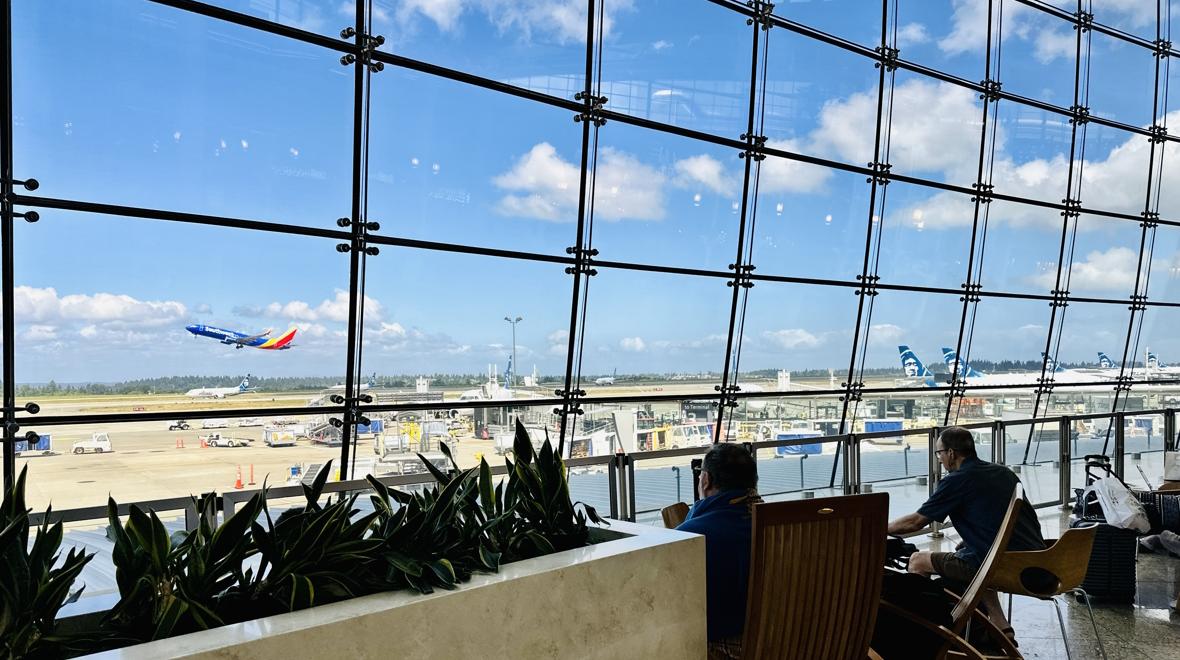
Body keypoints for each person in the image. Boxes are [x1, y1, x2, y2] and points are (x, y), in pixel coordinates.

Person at [887, 426, 1045, 643]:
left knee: (917, 560)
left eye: (939, 453)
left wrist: (879, 526)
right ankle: (1001, 626)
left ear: (951, 453)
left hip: (1001, 565)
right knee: (976, 556)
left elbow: (915, 522)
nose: (940, 459)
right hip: (1035, 562)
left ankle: (918, 635)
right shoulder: (1003, 472)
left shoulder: (956, 480)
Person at [677, 442, 761, 659]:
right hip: (785, 638)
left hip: (727, 648)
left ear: (705, 480)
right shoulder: (781, 526)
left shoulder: (692, 536)